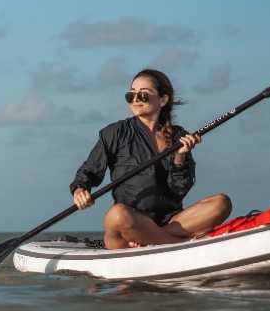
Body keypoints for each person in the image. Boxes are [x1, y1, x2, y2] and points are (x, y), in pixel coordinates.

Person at [70, 68, 231, 249]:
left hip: (172, 222)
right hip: (130, 224)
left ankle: (153, 239)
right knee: (117, 215)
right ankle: (183, 244)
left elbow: (179, 190)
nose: (136, 100)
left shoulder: (179, 136)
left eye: (144, 95)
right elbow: (88, 172)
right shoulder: (114, 133)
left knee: (221, 203)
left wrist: (180, 156)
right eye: (131, 95)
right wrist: (80, 190)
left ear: (163, 100)